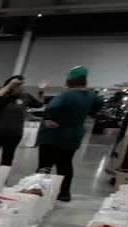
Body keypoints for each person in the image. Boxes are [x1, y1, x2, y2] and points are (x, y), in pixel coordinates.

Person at [37, 65, 103, 202]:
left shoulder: (66, 95)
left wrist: (49, 118)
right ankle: (64, 193)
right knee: (65, 164)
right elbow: (98, 105)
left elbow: (52, 108)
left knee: (45, 165)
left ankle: (38, 191)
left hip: (54, 135)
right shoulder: (91, 96)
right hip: (73, 136)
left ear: (70, 80)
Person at [0, 75, 45, 167]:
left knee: (7, 159)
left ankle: (2, 180)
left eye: (22, 85)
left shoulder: (26, 97)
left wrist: (41, 91)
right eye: (18, 85)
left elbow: (40, 104)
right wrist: (10, 84)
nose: (21, 87)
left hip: (14, 134)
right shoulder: (2, 96)